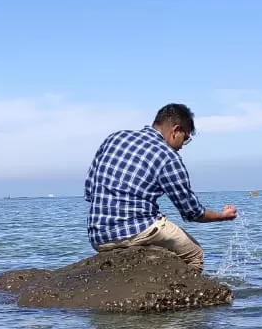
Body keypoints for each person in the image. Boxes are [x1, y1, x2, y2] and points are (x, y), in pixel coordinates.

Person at [84, 103, 236, 273]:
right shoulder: (168, 157)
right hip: (135, 231)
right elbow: (192, 212)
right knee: (194, 254)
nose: (182, 145)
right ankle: (183, 295)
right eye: (185, 138)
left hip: (98, 236)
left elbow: (90, 190)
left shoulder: (116, 138)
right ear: (175, 130)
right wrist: (222, 216)